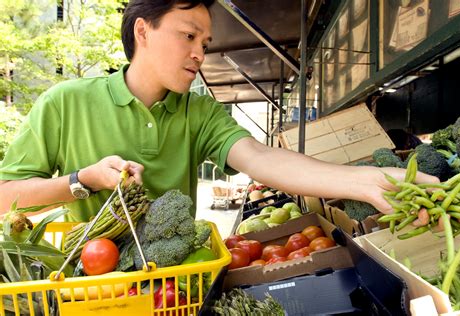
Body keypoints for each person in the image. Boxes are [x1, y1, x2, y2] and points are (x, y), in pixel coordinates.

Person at [0, 0, 438, 221]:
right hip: (88, 289)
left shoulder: (201, 113)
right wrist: (85, 181)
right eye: (188, 36)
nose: (199, 54)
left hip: (177, 289)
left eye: (204, 44)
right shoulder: (65, 102)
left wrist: (368, 181)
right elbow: (6, 199)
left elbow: (263, 159)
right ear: (143, 31)